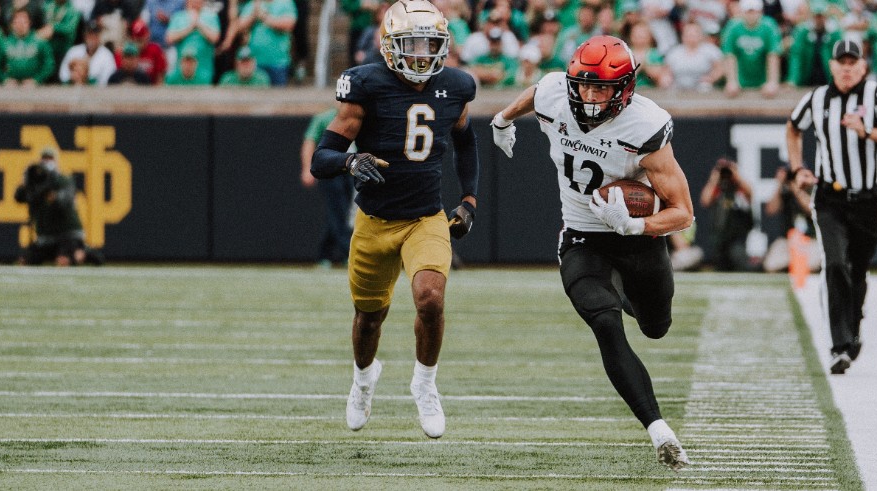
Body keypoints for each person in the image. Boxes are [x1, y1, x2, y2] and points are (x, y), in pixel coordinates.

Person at [488, 34, 695, 470]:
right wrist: (503, 118)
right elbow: (535, 93)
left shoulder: (645, 125)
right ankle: (659, 430)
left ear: (625, 90)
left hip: (637, 239)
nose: (590, 96)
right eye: (583, 85)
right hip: (582, 234)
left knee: (656, 327)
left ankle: (624, 292)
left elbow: (684, 213)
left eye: (601, 88)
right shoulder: (555, 96)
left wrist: (638, 224)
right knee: (605, 322)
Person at [310, 0, 478, 440]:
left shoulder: (456, 86)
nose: (423, 54)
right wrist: (350, 162)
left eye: (430, 43)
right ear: (389, 45)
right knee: (369, 318)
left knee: (430, 298)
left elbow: (466, 142)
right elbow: (320, 157)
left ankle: (425, 383)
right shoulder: (365, 85)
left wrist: (469, 199)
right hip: (375, 220)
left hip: (426, 217)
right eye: (413, 43)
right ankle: (364, 379)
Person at [786, 39, 877, 372]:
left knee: (857, 269)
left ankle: (852, 327)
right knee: (836, 264)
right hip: (830, 196)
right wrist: (798, 168)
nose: (846, 68)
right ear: (832, 65)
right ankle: (839, 345)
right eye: (841, 62)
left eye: (852, 62)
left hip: (868, 198)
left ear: (863, 66)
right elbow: (793, 128)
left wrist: (868, 132)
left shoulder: (875, 96)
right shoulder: (817, 98)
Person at [300, 106, 355, 267]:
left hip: (351, 170)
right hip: (331, 168)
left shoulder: (358, 115)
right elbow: (309, 141)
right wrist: (307, 168)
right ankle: (349, 253)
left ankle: (324, 252)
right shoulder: (324, 118)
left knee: (342, 212)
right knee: (339, 209)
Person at [14, 148, 88, 266]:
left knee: (63, 260)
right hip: (46, 237)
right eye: (44, 159)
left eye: (50, 159)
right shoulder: (36, 182)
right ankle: (79, 253)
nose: (47, 162)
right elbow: (19, 197)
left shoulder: (63, 180)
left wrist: (51, 194)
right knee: (25, 261)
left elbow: (64, 202)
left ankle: (86, 253)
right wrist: (25, 183)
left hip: (66, 235)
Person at [700, 157, 755, 271]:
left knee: (739, 261)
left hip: (737, 237)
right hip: (720, 237)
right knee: (719, 265)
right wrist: (714, 179)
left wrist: (736, 175)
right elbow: (705, 201)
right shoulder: (718, 188)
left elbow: (750, 194)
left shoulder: (739, 187)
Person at [720, 0, 782, 98]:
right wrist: (732, 81)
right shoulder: (732, 27)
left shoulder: (769, 26)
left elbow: (773, 55)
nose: (751, 15)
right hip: (741, 80)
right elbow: (729, 55)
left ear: (760, 12)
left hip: (763, 81)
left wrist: (772, 82)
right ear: (742, 12)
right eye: (748, 11)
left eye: (754, 11)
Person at [1, 8, 55, 86]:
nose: (21, 25)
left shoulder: (40, 41)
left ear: (29, 23)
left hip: (35, 88)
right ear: (12, 24)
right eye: (18, 21)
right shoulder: (5, 43)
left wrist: (37, 80)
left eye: (24, 21)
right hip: (10, 87)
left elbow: (49, 65)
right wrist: (5, 79)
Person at [58, 20, 117, 86]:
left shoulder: (107, 55)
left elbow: (107, 81)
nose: (91, 38)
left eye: (94, 35)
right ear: (85, 36)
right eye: (89, 34)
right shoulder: (74, 51)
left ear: (99, 36)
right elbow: (63, 76)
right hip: (71, 89)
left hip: (97, 93)